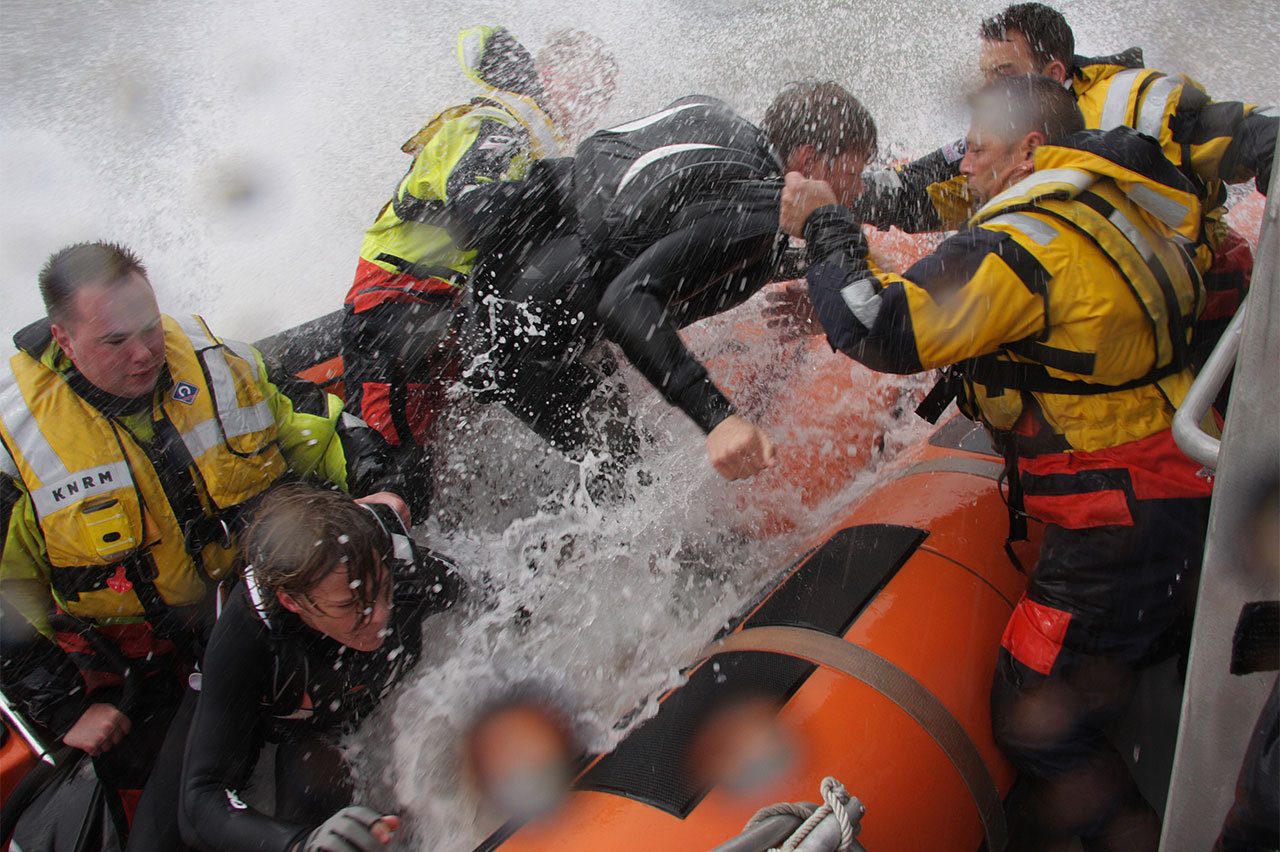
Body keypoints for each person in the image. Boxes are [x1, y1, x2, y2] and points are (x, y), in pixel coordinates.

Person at [779, 76, 1212, 850]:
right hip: (1178, 478)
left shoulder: (1022, 244)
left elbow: (877, 328)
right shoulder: (1109, 203)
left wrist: (826, 228)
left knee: (1029, 705)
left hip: (1121, 520)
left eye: (976, 150)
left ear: (1028, 153)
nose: (964, 167)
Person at [0, 242, 408, 849]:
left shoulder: (218, 365)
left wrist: (378, 485)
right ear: (64, 340)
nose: (144, 354)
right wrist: (62, 710)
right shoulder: (18, 447)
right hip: (145, 665)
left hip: (268, 612)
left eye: (148, 328)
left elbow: (318, 423)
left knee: (310, 765)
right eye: (115, 342)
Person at [447, 82, 878, 482]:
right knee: (625, 477)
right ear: (808, 161)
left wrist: (819, 272)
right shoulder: (753, 217)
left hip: (519, 263)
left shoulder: (722, 127)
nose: (857, 189)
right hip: (522, 337)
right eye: (853, 172)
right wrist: (719, 418)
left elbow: (690, 235)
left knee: (617, 452)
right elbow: (625, 302)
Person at [853, 2, 1276, 371]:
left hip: (1199, 310)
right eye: (984, 77)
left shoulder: (1138, 105)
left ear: (1054, 72)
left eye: (1003, 74)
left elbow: (1256, 136)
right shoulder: (1002, 133)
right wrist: (836, 199)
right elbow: (916, 195)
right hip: (1097, 323)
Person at [341, 26, 616, 518]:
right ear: (550, 73)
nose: (597, 101)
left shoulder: (530, 133)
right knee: (397, 476)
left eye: (606, 91)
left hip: (457, 317)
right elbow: (479, 215)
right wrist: (570, 179)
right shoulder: (495, 122)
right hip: (396, 312)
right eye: (592, 81)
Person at [178, 483, 461, 852]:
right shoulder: (249, 634)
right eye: (349, 605)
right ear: (291, 602)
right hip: (281, 727)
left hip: (352, 717)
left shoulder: (405, 570)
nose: (379, 616)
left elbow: (504, 597)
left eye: (383, 589)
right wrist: (298, 844)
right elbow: (201, 801)